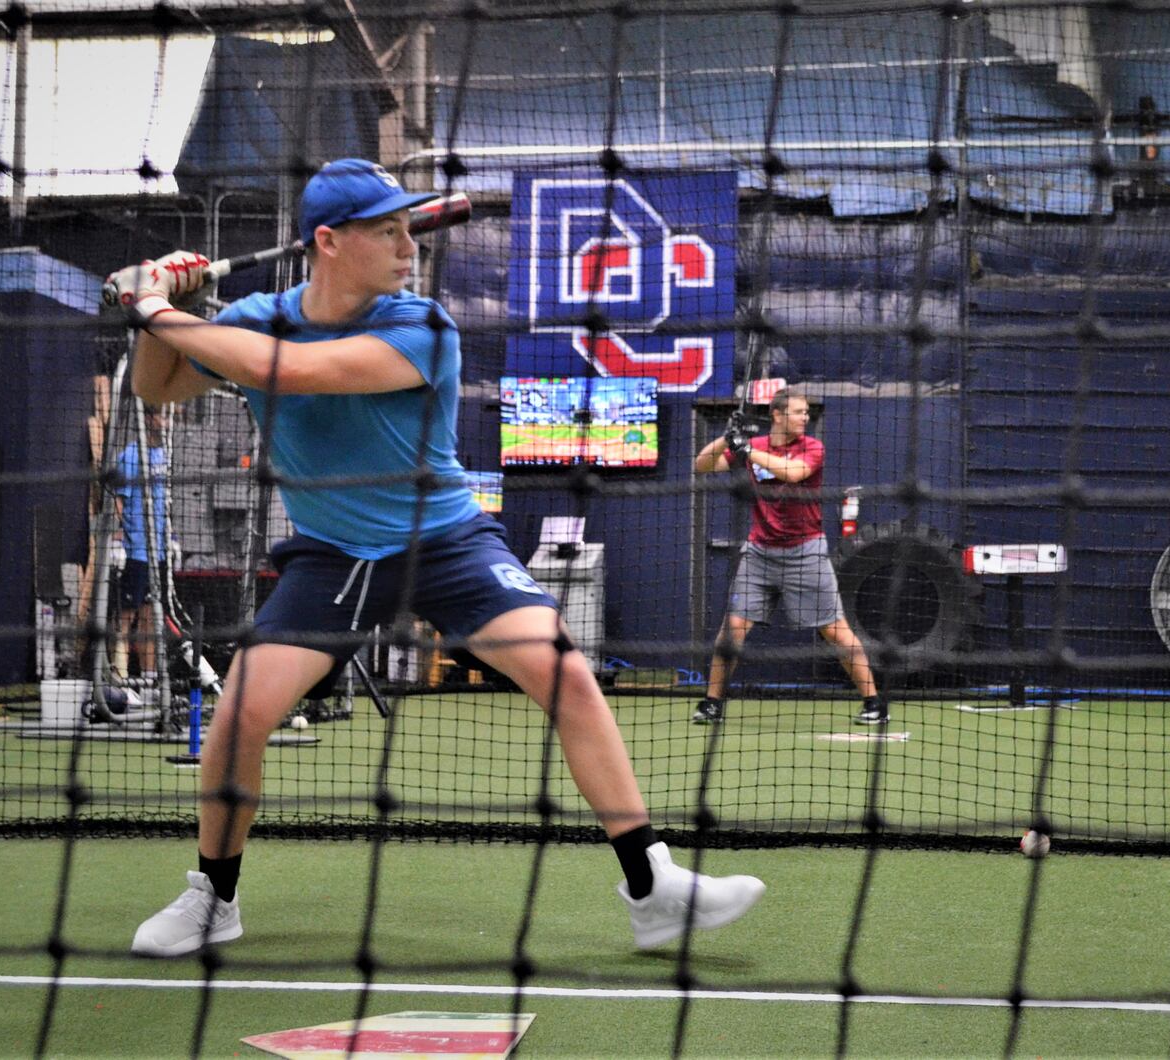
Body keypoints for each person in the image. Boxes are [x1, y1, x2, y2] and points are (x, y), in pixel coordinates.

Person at [108, 158, 764, 957]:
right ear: (329, 241)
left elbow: (285, 371)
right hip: (335, 554)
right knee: (243, 710)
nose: (407, 245)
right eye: (387, 230)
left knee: (566, 671)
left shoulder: (421, 326)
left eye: (407, 227)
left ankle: (652, 885)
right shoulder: (256, 315)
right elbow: (158, 388)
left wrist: (149, 302)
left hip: (447, 541)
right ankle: (213, 895)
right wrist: (156, 312)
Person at [691, 387, 884, 726]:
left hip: (806, 551)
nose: (805, 417)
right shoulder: (759, 446)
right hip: (760, 552)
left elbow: (791, 472)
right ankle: (711, 703)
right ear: (777, 415)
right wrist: (725, 438)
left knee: (834, 630)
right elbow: (702, 465)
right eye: (798, 412)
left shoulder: (812, 447)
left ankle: (873, 703)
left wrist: (747, 449)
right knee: (732, 628)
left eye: (806, 412)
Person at [111, 409, 170, 677]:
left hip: (158, 554)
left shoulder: (163, 456)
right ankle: (121, 679)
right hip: (135, 553)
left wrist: (172, 539)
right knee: (125, 619)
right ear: (147, 419)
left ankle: (149, 682)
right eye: (162, 416)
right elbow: (118, 501)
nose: (167, 422)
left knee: (150, 619)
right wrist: (120, 538)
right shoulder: (131, 457)